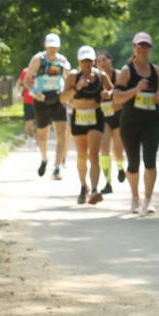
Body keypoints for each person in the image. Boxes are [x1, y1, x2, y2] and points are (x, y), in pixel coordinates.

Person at [113, 32, 159, 215]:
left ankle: (148, 200)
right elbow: (116, 97)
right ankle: (135, 197)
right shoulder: (127, 71)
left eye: (146, 46)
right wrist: (136, 90)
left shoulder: (156, 70)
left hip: (151, 121)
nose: (143, 49)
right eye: (139, 45)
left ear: (150, 48)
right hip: (130, 122)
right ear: (134, 48)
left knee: (150, 160)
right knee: (133, 162)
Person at [60, 46, 111, 205]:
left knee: (94, 154)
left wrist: (107, 94)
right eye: (84, 61)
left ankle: (95, 190)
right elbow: (63, 98)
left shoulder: (101, 76)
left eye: (89, 60)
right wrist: (77, 88)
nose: (87, 64)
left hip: (95, 116)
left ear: (94, 61)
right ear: (79, 62)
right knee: (82, 154)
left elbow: (113, 91)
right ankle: (84, 186)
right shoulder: (73, 76)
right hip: (79, 116)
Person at [25, 33, 71, 180]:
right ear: (45, 46)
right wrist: (35, 92)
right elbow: (26, 81)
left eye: (55, 46)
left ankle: (57, 167)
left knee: (61, 134)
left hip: (58, 99)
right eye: (50, 46)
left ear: (59, 46)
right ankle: (44, 158)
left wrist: (67, 97)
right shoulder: (38, 60)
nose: (52, 49)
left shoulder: (63, 61)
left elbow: (68, 79)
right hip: (41, 99)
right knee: (43, 135)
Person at [97, 50, 125, 194]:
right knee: (104, 149)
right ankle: (108, 182)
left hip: (119, 116)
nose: (102, 63)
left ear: (110, 61)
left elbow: (125, 96)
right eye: (99, 61)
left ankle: (120, 167)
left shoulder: (119, 75)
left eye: (104, 60)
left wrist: (112, 97)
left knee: (118, 151)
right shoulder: (95, 77)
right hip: (103, 117)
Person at [16, 67, 35, 140]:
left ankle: (39, 142)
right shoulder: (25, 71)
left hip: (40, 101)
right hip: (28, 100)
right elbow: (19, 82)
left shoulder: (42, 71)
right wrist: (18, 93)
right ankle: (31, 137)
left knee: (41, 124)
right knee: (29, 121)